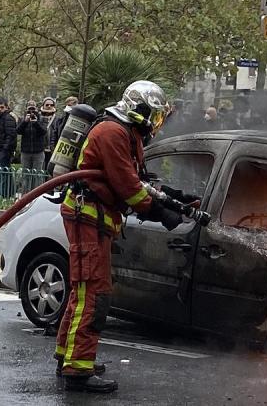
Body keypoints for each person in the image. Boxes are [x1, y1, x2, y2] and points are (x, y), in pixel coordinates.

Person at [55, 81, 188, 393]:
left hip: (94, 216)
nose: (155, 124)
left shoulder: (125, 132)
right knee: (95, 293)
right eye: (153, 116)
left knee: (82, 290)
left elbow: (137, 178)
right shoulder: (113, 132)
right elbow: (129, 188)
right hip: (88, 216)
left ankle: (68, 356)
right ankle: (78, 370)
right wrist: (160, 213)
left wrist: (171, 195)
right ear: (139, 111)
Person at [16, 102, 46, 193]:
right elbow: (18, 131)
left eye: (33, 109)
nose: (31, 111)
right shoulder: (22, 119)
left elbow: (44, 131)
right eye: (29, 109)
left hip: (38, 152)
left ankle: (36, 194)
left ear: (37, 109)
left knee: (37, 175)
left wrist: (36, 123)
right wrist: (25, 122)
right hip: (26, 151)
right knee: (26, 175)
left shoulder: (41, 119)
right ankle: (25, 195)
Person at [38, 97, 57, 169]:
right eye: (47, 105)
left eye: (51, 105)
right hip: (40, 148)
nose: (49, 106)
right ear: (43, 105)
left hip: (52, 149)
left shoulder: (57, 119)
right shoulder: (38, 118)